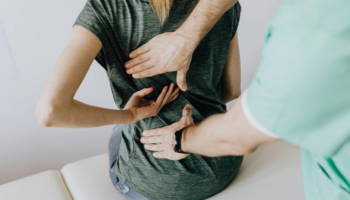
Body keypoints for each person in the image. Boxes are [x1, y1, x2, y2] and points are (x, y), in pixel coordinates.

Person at [136, 0, 350, 199]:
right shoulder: (229, 10)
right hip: (225, 166)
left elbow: (240, 135)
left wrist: (177, 138)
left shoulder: (312, 32)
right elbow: (231, 91)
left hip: (160, 180)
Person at [36, 0, 243, 199]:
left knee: (118, 130)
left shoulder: (103, 8)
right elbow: (231, 91)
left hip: (158, 185)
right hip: (223, 161)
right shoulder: (217, 5)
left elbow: (51, 111)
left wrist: (129, 115)